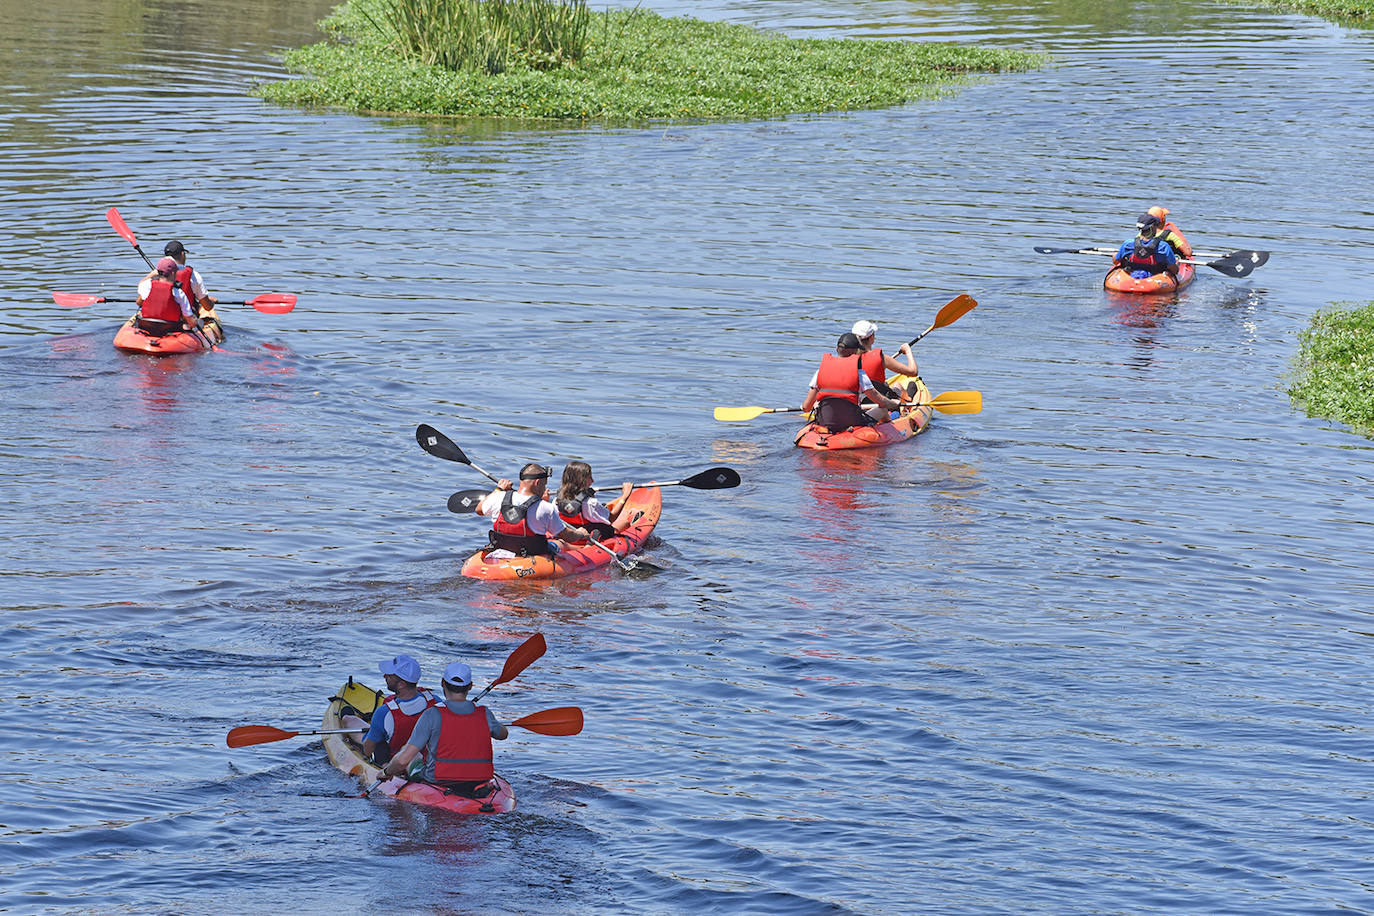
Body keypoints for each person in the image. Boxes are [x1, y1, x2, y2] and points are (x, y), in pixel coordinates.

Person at [379, 661, 509, 797]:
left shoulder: (431, 714)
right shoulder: (484, 713)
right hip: (479, 779)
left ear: (442, 683)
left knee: (413, 754)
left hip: (439, 780)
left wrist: (386, 772)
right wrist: (494, 723)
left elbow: (402, 760)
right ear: (470, 686)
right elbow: (503, 734)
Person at [474, 463, 594, 557]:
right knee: (560, 543)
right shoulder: (546, 507)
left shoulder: (498, 496)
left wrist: (499, 489)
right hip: (532, 554)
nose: (545, 488)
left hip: (503, 548)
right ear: (537, 482)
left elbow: (479, 510)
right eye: (544, 484)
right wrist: (581, 534)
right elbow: (566, 535)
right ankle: (586, 550)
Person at [800, 332, 905, 432]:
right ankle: (889, 430)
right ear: (856, 352)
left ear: (837, 349)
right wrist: (893, 403)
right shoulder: (859, 374)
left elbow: (806, 407)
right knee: (883, 409)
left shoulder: (820, 372)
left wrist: (812, 405)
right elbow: (881, 401)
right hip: (852, 423)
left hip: (826, 421)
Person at [361, 654, 438, 768]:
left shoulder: (384, 712)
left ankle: (346, 718)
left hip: (395, 763)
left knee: (350, 720)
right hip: (427, 758)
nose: (385, 676)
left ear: (401, 684)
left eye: (390, 676)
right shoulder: (435, 701)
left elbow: (368, 750)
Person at [555, 461, 635, 541]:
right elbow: (611, 518)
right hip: (586, 537)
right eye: (590, 477)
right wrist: (625, 496)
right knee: (624, 523)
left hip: (568, 535)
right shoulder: (590, 503)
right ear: (581, 480)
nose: (592, 481)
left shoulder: (557, 500)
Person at [851, 319, 921, 405]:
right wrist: (908, 351)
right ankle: (908, 400)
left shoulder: (847, 357)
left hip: (857, 400)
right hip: (879, 401)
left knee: (893, 385)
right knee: (898, 386)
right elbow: (913, 372)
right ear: (871, 337)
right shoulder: (882, 358)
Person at [134, 257, 202, 337]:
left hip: (147, 326)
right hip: (170, 329)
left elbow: (138, 302)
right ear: (173, 273)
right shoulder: (178, 292)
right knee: (199, 322)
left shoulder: (147, 285)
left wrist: (151, 275)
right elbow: (191, 321)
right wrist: (196, 322)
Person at [1112, 212, 1178, 280]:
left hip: (1132, 276)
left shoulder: (1128, 244)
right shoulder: (1163, 246)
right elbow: (1174, 270)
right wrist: (1176, 262)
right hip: (1155, 279)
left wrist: (1115, 256)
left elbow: (1116, 261)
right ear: (1152, 227)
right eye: (1156, 225)